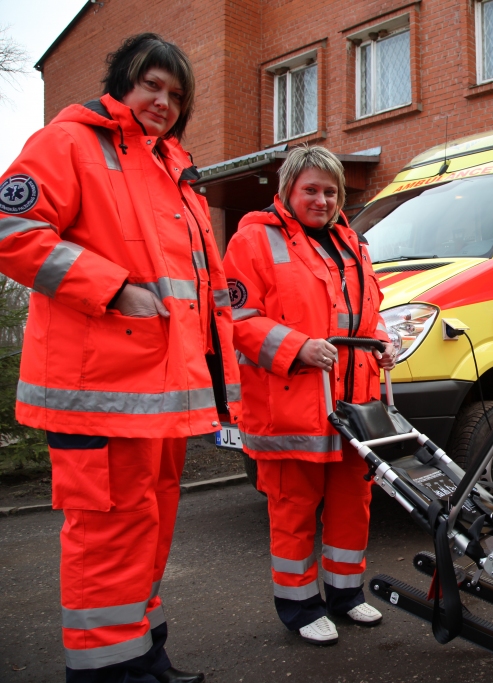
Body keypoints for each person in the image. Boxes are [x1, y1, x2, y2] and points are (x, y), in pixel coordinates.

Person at [0, 34, 240, 682]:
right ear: (119, 82)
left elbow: (199, 293)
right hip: (97, 394)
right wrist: (110, 287)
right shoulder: (72, 141)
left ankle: (143, 654)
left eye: (175, 94)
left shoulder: (172, 168)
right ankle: (107, 671)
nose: (163, 101)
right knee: (108, 535)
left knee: (147, 528)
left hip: (159, 395)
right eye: (150, 86)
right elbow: (11, 229)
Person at [223, 146, 396, 646]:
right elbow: (237, 320)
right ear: (287, 192)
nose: (322, 200)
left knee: (352, 502)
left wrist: (382, 341)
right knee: (293, 508)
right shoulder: (254, 240)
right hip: (290, 404)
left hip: (353, 404)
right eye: (311, 190)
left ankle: (345, 594)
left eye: (330, 191)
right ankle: (299, 607)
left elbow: (367, 311)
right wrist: (297, 348)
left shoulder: (353, 243)